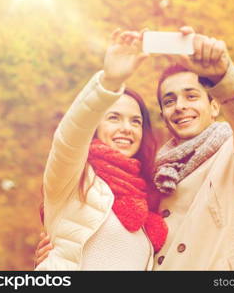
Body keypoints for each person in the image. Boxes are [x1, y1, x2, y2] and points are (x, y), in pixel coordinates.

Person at [35, 26, 234, 270]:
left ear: (215, 106)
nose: (180, 106)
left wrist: (225, 78)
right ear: (163, 115)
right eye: (170, 101)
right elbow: (70, 139)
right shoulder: (155, 181)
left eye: (191, 96)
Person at [34, 28, 168, 270]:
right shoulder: (73, 177)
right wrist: (110, 82)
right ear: (95, 126)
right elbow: (69, 137)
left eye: (135, 121)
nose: (127, 128)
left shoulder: (147, 198)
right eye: (114, 118)